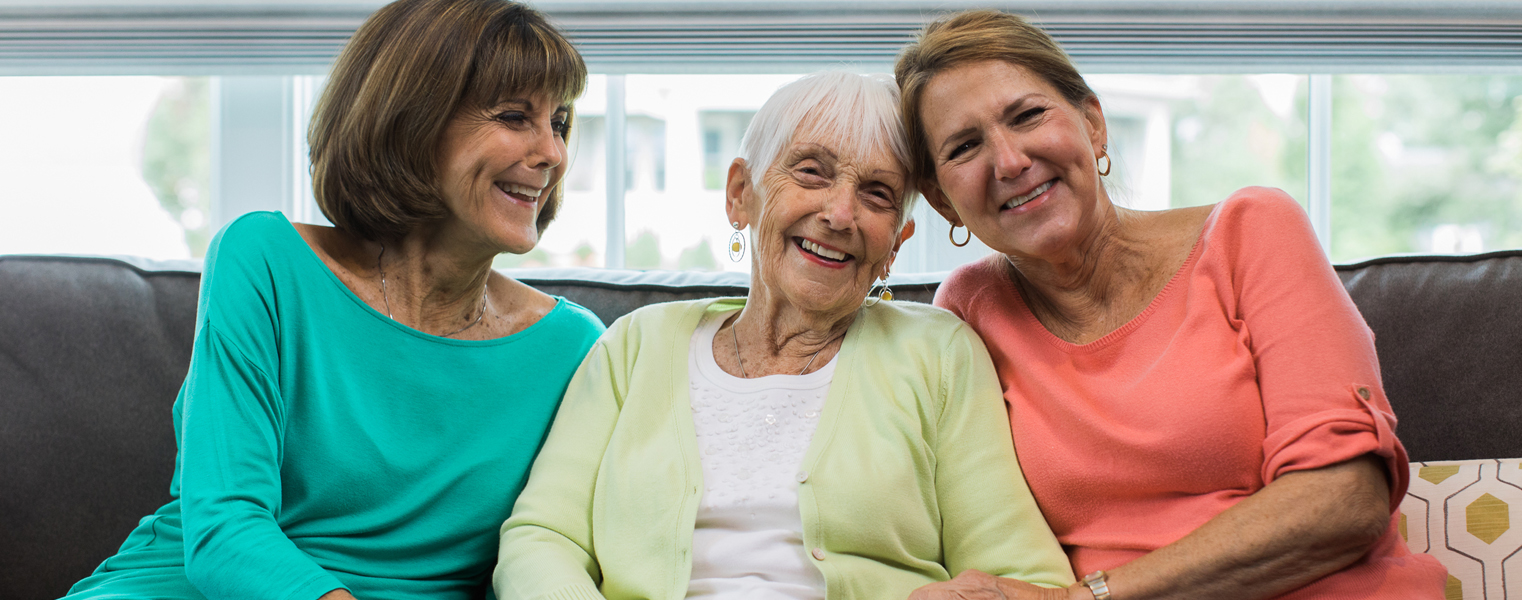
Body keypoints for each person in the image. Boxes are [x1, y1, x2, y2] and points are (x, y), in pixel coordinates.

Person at [892, 10, 1448, 600]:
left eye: (1027, 115)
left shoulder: (1251, 231)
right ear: (942, 201)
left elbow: (1344, 501)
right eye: (964, 146)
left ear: (1093, 124)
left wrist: (1088, 598)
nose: (1008, 162)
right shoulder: (970, 311)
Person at [62, 2, 603, 599]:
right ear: (412, 120)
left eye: (559, 122)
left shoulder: (574, 348)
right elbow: (224, 530)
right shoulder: (265, 260)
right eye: (513, 116)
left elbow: (563, 552)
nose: (551, 153)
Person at [493, 71, 1074, 600]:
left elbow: (1024, 577)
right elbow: (542, 536)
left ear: (896, 243)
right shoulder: (635, 344)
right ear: (741, 193)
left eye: (877, 194)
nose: (841, 214)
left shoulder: (939, 354)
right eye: (812, 173)